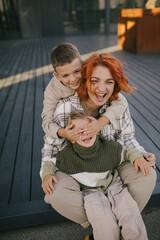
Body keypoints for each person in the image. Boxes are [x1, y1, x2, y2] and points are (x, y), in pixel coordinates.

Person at [40, 53, 156, 233]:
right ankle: (104, 224)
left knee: (147, 174)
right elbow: (50, 148)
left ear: (115, 84)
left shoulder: (118, 105)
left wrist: (140, 155)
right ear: (85, 80)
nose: (101, 88)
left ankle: (121, 224)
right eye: (95, 81)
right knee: (55, 192)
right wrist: (46, 173)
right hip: (77, 171)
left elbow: (127, 138)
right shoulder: (65, 107)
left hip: (111, 168)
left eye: (109, 82)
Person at [42, 110, 149, 240]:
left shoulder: (109, 147)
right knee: (103, 221)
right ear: (72, 138)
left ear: (97, 131)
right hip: (90, 192)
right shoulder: (67, 155)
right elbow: (51, 162)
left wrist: (137, 158)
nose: (85, 134)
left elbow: (127, 151)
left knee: (130, 215)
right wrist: (47, 174)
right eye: (79, 132)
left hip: (114, 185)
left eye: (88, 129)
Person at [41, 43, 128, 141]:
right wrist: (64, 133)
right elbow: (46, 121)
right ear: (57, 76)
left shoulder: (89, 74)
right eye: (65, 76)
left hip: (97, 118)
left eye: (77, 71)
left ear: (82, 64)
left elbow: (121, 101)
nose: (73, 79)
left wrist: (100, 123)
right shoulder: (52, 90)